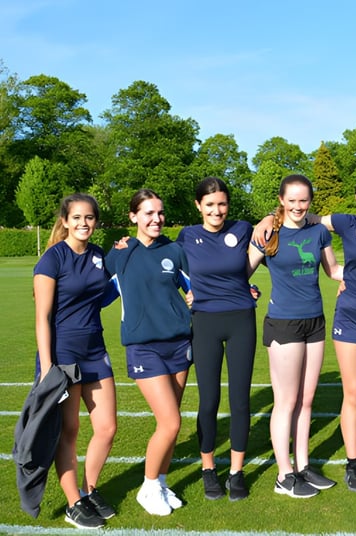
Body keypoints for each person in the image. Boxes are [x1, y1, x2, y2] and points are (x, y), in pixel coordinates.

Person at [254, 172, 356, 492]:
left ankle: (350, 463)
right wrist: (271, 215)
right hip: (327, 320)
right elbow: (303, 217)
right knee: (330, 396)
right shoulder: (341, 222)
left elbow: (334, 268)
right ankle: (304, 472)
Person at [250, 175, 343, 498]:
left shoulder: (318, 232)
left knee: (306, 400)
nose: (298, 206)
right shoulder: (268, 232)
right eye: (292, 200)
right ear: (281, 200)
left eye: (304, 200)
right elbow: (241, 272)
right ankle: (283, 474)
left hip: (314, 321)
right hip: (284, 323)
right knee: (286, 402)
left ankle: (303, 466)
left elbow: (333, 271)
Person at [31, 193, 117, 529]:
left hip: (95, 350)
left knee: (107, 428)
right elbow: (42, 317)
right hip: (63, 355)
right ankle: (73, 503)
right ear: (65, 221)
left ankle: (89, 489)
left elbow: (105, 293)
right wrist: (47, 366)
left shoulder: (98, 256)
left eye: (90, 218)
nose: (84, 224)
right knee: (69, 430)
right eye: (77, 218)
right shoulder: (52, 259)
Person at [105, 189, 192, 516]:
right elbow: (96, 294)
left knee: (172, 423)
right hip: (144, 347)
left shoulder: (175, 250)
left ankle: (161, 484)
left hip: (180, 345)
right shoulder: (120, 254)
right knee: (170, 422)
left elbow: (195, 287)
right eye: (148, 213)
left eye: (160, 212)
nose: (156, 219)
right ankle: (148, 485)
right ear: (133, 217)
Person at [176, 177, 261, 501]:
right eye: (210, 205)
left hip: (241, 319)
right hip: (205, 323)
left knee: (240, 401)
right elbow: (166, 266)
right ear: (199, 205)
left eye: (222, 204)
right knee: (208, 401)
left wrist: (269, 218)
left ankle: (237, 473)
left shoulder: (242, 229)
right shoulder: (187, 236)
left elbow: (273, 229)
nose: (217, 210)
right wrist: (186, 293)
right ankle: (208, 469)